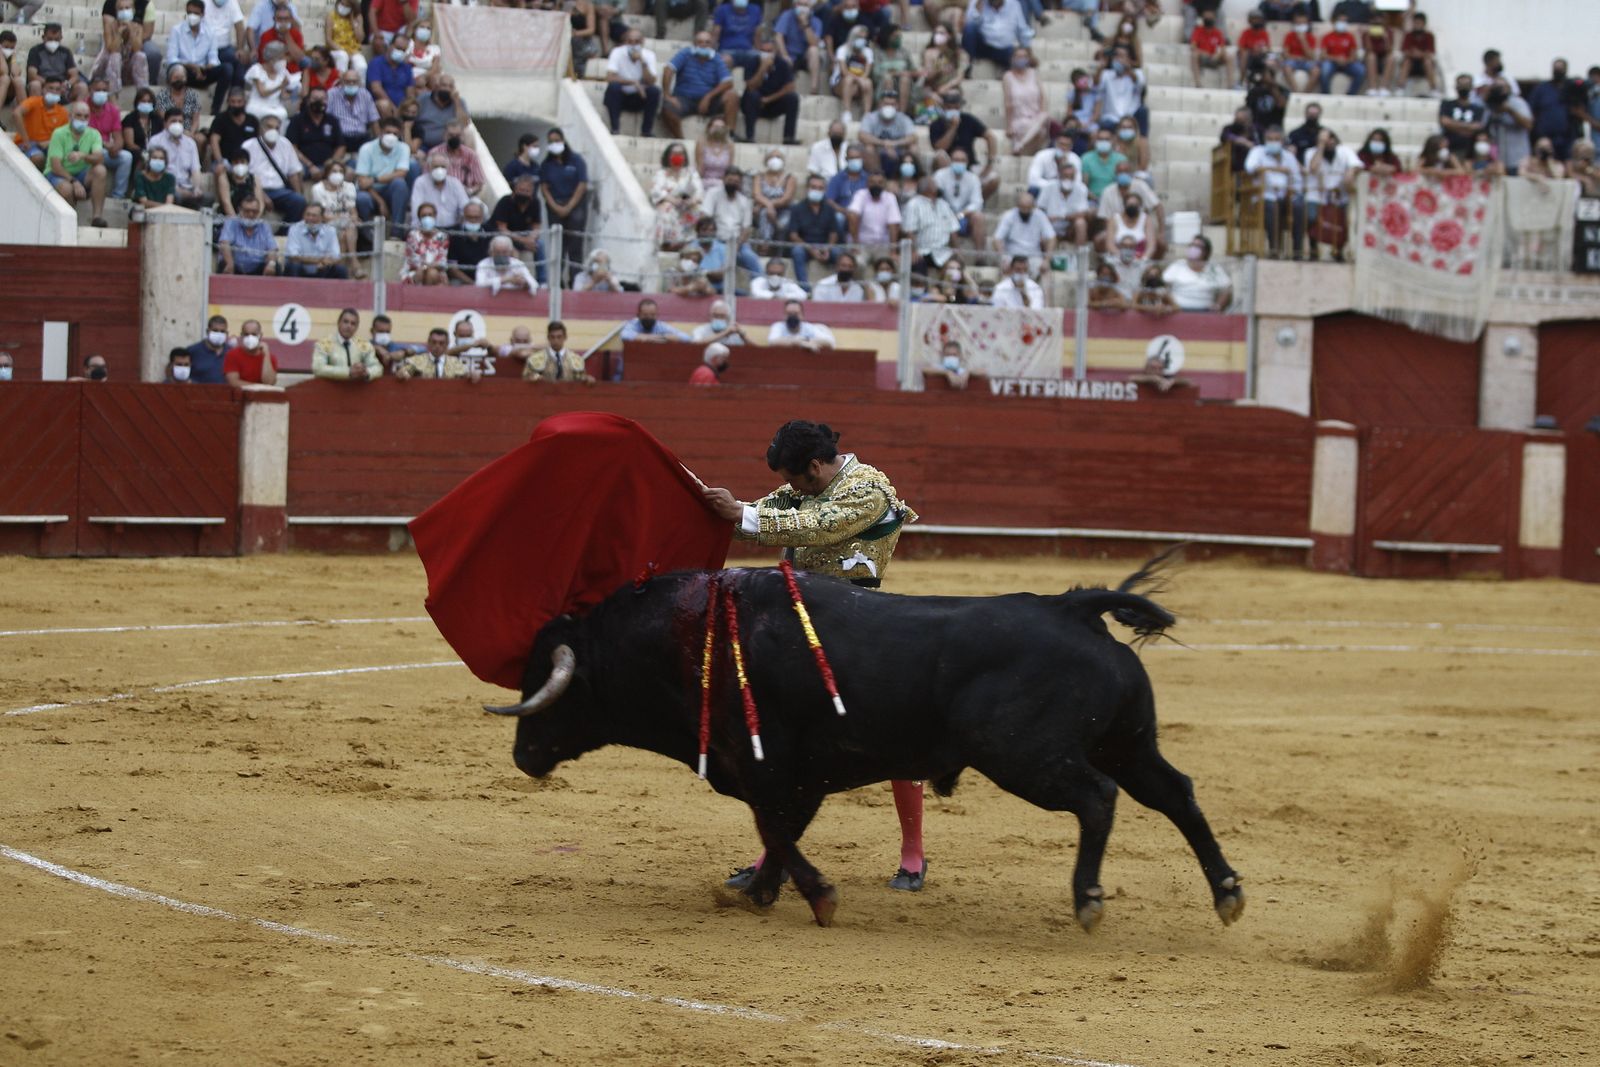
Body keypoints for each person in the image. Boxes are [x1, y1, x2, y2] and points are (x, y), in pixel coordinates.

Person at [701, 420, 923, 892]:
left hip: (863, 626)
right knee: (783, 741)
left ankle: (913, 856)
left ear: (816, 466)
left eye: (795, 480)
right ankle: (773, 857)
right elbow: (762, 516)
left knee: (899, 736)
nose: (791, 489)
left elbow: (817, 527)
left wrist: (741, 512)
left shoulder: (867, 490)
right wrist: (716, 507)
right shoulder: (803, 487)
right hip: (802, 624)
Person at [1244, 125, 1306, 260]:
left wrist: (1291, 191)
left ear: (1282, 141)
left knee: (1299, 206)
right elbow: (1250, 167)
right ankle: (1274, 248)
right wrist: (1273, 169)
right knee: (1271, 207)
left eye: (1276, 139)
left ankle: (1297, 251)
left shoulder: (1289, 156)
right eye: (1269, 139)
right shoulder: (1257, 152)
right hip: (1264, 196)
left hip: (1286, 196)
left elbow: (1297, 181)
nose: (1273, 142)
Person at [46, 101, 111, 228]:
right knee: (67, 189)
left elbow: (99, 158)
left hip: (82, 173)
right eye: (78, 115)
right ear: (70, 116)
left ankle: (97, 217)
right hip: (58, 174)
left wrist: (82, 155)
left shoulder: (94, 134)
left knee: (100, 170)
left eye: (86, 116)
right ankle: (70, 222)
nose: (82, 119)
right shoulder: (59, 133)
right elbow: (55, 166)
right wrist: (74, 181)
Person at [662, 30, 736, 139]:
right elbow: (668, 69)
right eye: (700, 42)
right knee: (667, 108)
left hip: (710, 101)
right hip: (684, 99)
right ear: (694, 44)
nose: (704, 45)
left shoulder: (716, 58)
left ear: (712, 45)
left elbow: (728, 82)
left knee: (732, 96)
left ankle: (730, 136)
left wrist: (708, 97)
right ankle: (681, 140)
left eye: (707, 42)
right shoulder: (685, 53)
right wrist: (667, 95)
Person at [539, 127, 589, 283]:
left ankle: (575, 281)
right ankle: (556, 282)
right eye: (551, 142)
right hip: (554, 206)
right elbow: (544, 188)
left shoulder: (576, 160)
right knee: (557, 247)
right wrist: (555, 206)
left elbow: (582, 184)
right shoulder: (546, 164)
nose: (554, 144)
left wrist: (569, 207)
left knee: (575, 246)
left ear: (563, 140)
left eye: (557, 140)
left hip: (575, 206)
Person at [604, 28, 661, 137]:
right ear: (626, 42)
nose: (633, 45)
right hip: (621, 96)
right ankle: (615, 128)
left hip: (640, 96)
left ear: (642, 42)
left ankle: (646, 131)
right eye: (630, 42)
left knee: (654, 91)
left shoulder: (649, 55)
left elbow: (651, 81)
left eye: (636, 42)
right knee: (613, 87)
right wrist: (633, 82)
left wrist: (642, 62)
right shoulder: (617, 52)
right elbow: (610, 77)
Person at [788, 173, 841, 286]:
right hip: (805, 246)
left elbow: (834, 233)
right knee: (797, 251)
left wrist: (828, 248)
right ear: (807, 188)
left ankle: (838, 285)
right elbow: (793, 235)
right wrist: (811, 249)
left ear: (824, 190)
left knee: (839, 253)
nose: (817, 190)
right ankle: (804, 288)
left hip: (825, 246)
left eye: (820, 188)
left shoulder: (829, 209)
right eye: (813, 187)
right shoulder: (797, 209)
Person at [1162, 235, 1231, 312]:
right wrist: (1171, 305)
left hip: (1206, 312)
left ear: (1206, 252)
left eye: (1197, 246)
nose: (1193, 248)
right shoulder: (1178, 265)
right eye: (1191, 245)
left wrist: (1218, 306)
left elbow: (1226, 289)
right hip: (1178, 310)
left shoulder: (1214, 268)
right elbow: (1163, 287)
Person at [311, 307, 382, 380]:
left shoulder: (364, 345)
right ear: (339, 323)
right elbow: (318, 368)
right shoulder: (324, 344)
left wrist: (366, 372)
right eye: (345, 322)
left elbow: (378, 368)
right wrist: (348, 372)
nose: (349, 326)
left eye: (353, 323)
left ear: (357, 327)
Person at [217, 195, 280, 274]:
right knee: (224, 264)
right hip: (235, 265)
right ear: (240, 210)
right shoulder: (231, 222)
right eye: (247, 211)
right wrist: (230, 263)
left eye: (254, 211)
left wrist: (271, 264)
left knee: (276, 267)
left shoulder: (264, 226)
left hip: (258, 267)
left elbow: (272, 248)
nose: (251, 214)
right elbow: (224, 244)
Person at [285, 203, 347, 278]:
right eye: (307, 215)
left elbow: (335, 256)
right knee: (294, 266)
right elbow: (293, 256)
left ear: (322, 218)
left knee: (340, 269)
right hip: (301, 269)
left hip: (322, 269)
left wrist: (326, 263)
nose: (310, 218)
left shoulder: (330, 231)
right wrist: (319, 260)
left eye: (314, 216)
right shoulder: (295, 229)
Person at [521, 321, 594, 383]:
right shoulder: (535, 359)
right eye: (552, 337)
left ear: (565, 337)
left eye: (559, 337)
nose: (556, 340)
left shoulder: (576, 359)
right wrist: (535, 378)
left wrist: (587, 379)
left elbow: (580, 379)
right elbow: (526, 378)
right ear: (548, 338)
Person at [223, 319, 279, 385]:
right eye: (246, 334)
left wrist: (266, 355)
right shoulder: (232, 355)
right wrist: (257, 387)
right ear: (241, 335)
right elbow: (233, 382)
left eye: (254, 334)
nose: (250, 337)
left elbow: (269, 383)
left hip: (261, 392)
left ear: (260, 335)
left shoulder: (270, 358)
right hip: (240, 392)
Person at [1318, 15, 1365, 96]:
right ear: (1334, 22)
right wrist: (1336, 59)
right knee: (1325, 68)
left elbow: (1354, 55)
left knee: (1360, 70)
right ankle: (1326, 94)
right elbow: (1323, 55)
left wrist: (1346, 60)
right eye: (1340, 21)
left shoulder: (1350, 37)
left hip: (1347, 63)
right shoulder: (1327, 36)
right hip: (1332, 62)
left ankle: (1350, 95)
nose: (1342, 23)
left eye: (1344, 21)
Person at [766, 300, 836, 348]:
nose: (792, 316)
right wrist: (799, 342)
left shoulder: (808, 327)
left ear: (802, 315)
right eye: (789, 314)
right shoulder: (778, 326)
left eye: (796, 314)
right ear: (784, 316)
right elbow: (772, 342)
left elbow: (829, 342)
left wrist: (806, 341)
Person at [185, 315, 232, 383]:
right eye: (215, 330)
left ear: (226, 333)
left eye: (222, 331)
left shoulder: (231, 352)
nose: (219, 334)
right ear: (207, 331)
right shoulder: (193, 351)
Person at [621, 299, 691, 343]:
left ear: (657, 315)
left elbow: (686, 338)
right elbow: (624, 335)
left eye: (652, 315)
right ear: (638, 315)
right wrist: (650, 338)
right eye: (645, 315)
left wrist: (664, 337)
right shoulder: (633, 323)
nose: (649, 318)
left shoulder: (661, 326)